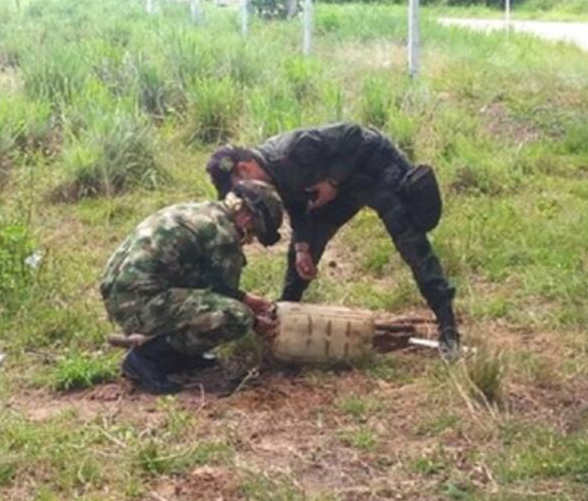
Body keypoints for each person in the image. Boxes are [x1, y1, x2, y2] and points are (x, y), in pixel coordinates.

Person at [206, 123, 460, 357]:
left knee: (412, 245)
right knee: (303, 251)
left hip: (376, 170)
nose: (242, 196)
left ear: (244, 169)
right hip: (340, 191)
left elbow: (355, 135)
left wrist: (332, 181)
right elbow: (298, 207)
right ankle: (285, 317)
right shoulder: (270, 176)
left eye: (237, 186)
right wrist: (302, 248)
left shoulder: (291, 150)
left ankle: (448, 328)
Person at [98, 180, 284, 394]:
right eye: (253, 232)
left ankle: (182, 356)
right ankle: (146, 359)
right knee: (237, 317)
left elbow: (205, 281)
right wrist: (255, 322)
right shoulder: (224, 235)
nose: (250, 238)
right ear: (247, 217)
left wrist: (248, 299)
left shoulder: (204, 211)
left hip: (119, 290)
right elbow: (223, 297)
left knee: (223, 307)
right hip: (136, 302)